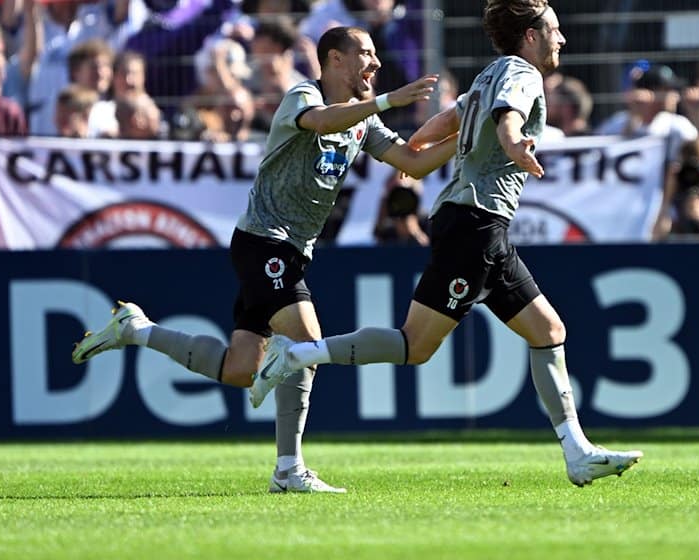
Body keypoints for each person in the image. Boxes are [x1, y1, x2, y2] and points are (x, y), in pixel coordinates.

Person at [249, 0, 643, 488]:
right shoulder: (523, 74)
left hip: (479, 224)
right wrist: (514, 141)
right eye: (554, 30)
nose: (561, 39)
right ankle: (300, 355)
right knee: (415, 347)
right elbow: (508, 117)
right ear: (530, 37)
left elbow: (438, 130)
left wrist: (422, 147)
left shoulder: (487, 75)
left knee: (548, 330)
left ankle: (578, 452)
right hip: (476, 224)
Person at [70, 26, 458, 493]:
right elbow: (321, 122)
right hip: (264, 242)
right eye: (366, 54)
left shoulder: (363, 120)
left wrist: (470, 137)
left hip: (292, 249)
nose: (375, 63)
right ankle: (288, 470)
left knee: (240, 369)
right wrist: (388, 100)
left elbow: (412, 164)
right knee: (306, 342)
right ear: (335, 59)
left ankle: (137, 330)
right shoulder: (302, 95)